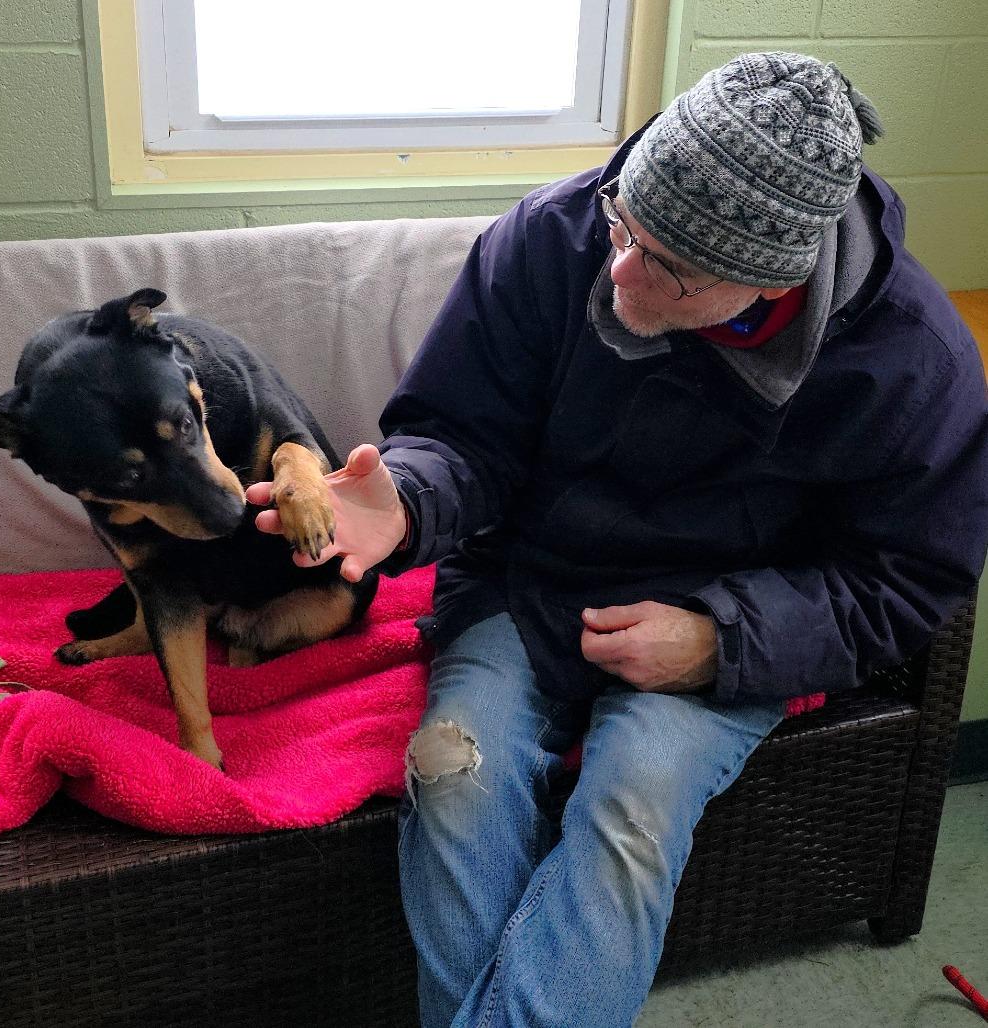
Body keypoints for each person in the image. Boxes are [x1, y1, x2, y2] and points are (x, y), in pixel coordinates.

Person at [247, 52, 988, 1028]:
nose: (619, 271)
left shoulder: (912, 363)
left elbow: (906, 576)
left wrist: (721, 638)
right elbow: (465, 438)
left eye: (670, 269)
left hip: (731, 614)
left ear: (776, 282)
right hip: (527, 579)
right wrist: (408, 504)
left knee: (630, 809)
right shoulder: (551, 234)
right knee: (449, 769)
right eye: (622, 229)